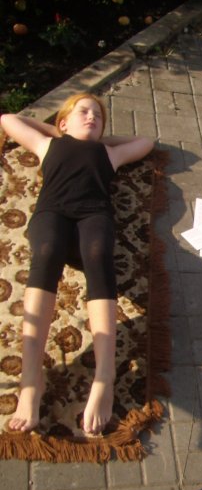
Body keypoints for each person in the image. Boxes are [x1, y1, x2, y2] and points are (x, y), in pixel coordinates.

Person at [0, 94, 154, 436]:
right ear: (63, 122)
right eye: (83, 112)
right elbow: (8, 120)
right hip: (53, 213)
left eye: (97, 115)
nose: (91, 117)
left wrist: (100, 139)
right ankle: (30, 380)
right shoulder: (48, 144)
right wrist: (58, 132)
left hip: (93, 215)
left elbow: (146, 142)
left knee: (99, 254)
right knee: (46, 250)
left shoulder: (108, 153)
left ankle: (104, 377)